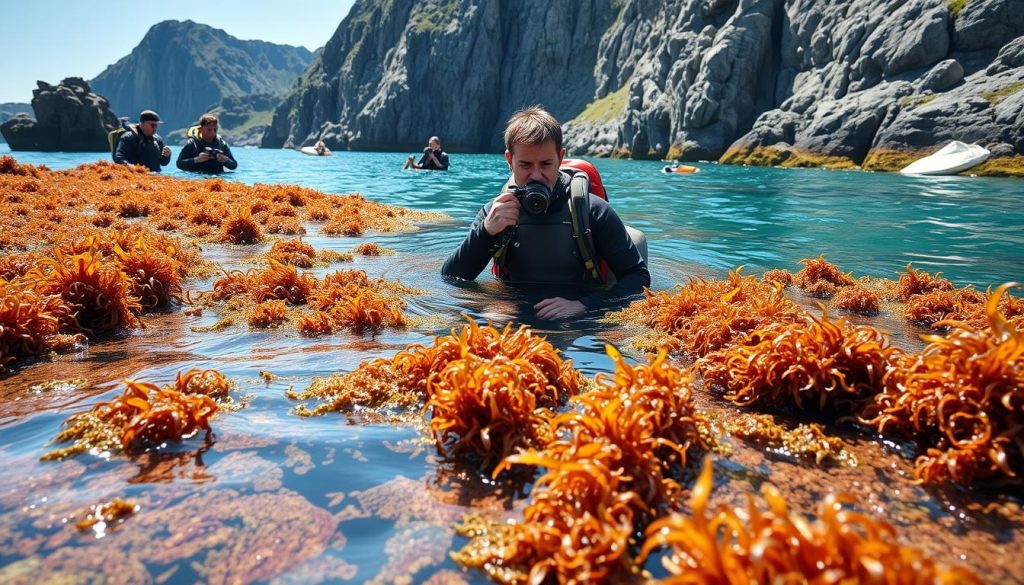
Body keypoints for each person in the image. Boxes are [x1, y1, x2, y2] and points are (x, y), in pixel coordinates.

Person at [441, 107, 650, 320]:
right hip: (513, 312)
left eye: (546, 164)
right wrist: (486, 232)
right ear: (509, 160)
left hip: (577, 317)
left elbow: (638, 278)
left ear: (560, 158)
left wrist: (585, 306)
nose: (536, 175)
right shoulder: (495, 213)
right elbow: (452, 277)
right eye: (525, 165)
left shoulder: (592, 211)